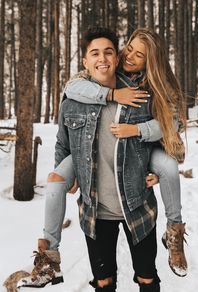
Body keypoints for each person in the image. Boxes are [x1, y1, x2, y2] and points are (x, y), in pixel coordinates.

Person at [18, 27, 161, 292]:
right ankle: (50, 258)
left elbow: (161, 140)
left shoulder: (139, 96)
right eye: (94, 53)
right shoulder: (72, 100)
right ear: (85, 62)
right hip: (95, 212)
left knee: (147, 278)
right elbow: (63, 142)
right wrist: (67, 176)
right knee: (103, 282)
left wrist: (158, 171)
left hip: (139, 209)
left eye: (108, 52)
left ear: (117, 58)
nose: (102, 58)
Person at [65, 27, 188, 277]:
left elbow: (171, 125)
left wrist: (136, 130)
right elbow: (72, 87)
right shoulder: (111, 71)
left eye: (139, 55)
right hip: (108, 187)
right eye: (129, 48)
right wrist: (112, 93)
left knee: (169, 168)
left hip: (148, 149)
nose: (129, 56)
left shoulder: (158, 86)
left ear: (151, 62)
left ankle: (174, 230)